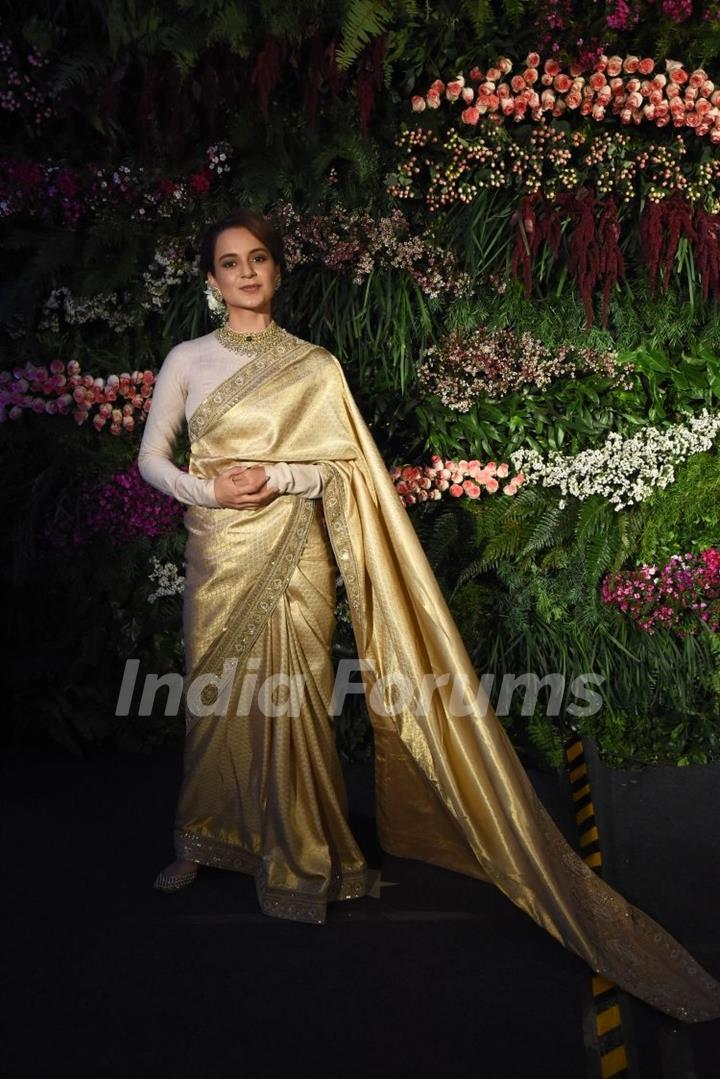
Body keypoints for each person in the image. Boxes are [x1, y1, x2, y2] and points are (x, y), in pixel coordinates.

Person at [137, 207, 720, 1023]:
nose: (245, 272)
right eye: (229, 261)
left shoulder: (316, 367)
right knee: (218, 693)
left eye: (258, 258)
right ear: (210, 279)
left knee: (297, 696)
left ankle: (300, 853)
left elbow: (346, 469)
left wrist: (278, 478)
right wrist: (210, 489)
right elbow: (152, 459)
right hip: (219, 553)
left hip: (293, 552)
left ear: (276, 270)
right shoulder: (187, 361)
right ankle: (204, 833)